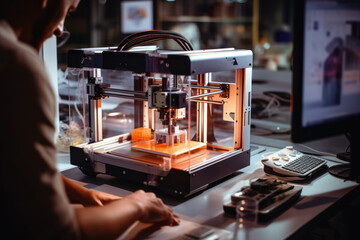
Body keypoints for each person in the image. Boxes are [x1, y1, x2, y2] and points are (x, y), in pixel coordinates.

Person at [0, 0, 180, 239]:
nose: (59, 30)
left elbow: (18, 168)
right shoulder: (17, 66)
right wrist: (136, 205)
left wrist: (86, 195)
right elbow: (60, 232)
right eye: (69, 10)